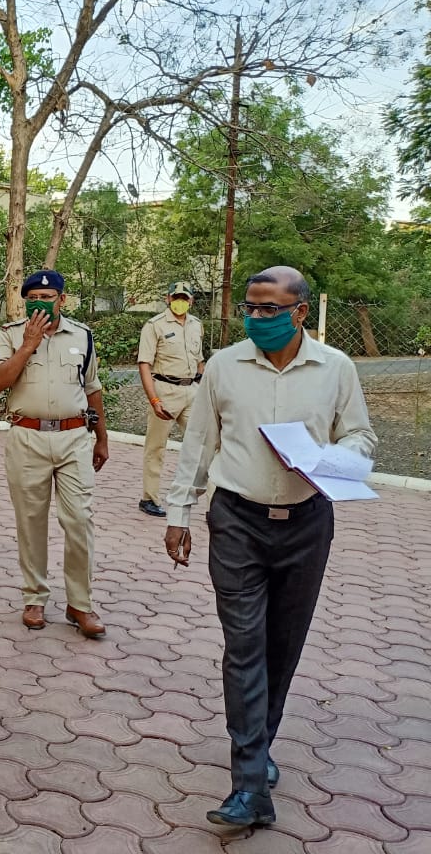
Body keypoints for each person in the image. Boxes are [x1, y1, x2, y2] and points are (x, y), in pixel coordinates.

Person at [164, 266, 375, 828]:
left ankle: (259, 749)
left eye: (270, 310)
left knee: (282, 647)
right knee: (243, 648)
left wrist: (327, 460)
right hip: (236, 521)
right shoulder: (224, 366)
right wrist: (178, 513)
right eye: (251, 309)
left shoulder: (336, 369)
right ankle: (249, 784)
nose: (257, 319)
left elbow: (361, 436)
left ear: (300, 311)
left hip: (307, 524)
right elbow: (198, 441)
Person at [0, 271, 110, 637]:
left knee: (79, 521)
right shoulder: (11, 334)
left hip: (74, 438)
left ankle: (80, 604)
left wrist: (101, 438)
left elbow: (92, 389)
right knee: (31, 521)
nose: (40, 302)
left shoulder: (82, 336)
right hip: (28, 437)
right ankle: (35, 597)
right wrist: (28, 344)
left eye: (48, 295)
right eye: (33, 297)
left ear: (62, 300)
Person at [137, 281, 206, 517]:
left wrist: (206, 389)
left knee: (204, 446)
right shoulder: (154, 325)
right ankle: (149, 498)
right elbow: (144, 364)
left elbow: (200, 361)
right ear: (168, 298)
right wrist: (154, 400)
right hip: (164, 389)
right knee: (156, 447)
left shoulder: (197, 325)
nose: (180, 302)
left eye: (185, 298)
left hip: (191, 390)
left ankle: (215, 505)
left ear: (192, 301)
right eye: (176, 297)